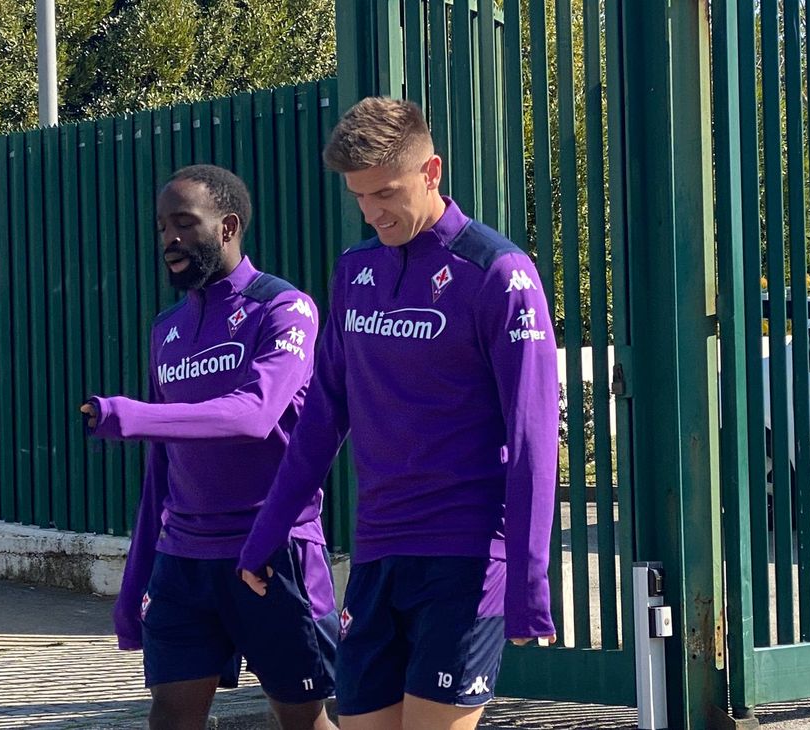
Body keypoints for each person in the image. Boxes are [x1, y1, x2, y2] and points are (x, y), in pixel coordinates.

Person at [238, 97, 559, 730]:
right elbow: (322, 416)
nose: (372, 212)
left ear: (431, 171)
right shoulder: (354, 270)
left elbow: (533, 436)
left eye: (385, 192)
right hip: (378, 555)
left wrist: (530, 581)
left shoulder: (499, 275)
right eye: (359, 196)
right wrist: (267, 531)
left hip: (466, 557)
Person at [81, 164, 338, 730]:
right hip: (184, 561)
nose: (169, 239)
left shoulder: (285, 308)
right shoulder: (166, 328)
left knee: (302, 720)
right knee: (171, 717)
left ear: (227, 226)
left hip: (272, 552)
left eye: (183, 223)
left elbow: (255, 413)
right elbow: (161, 467)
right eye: (161, 227)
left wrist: (129, 414)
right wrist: (135, 581)